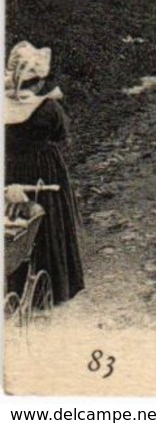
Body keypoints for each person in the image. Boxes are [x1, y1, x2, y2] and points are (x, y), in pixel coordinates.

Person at [4, 42, 85, 303]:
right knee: (47, 219)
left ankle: (12, 281)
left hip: (10, 167)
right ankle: (54, 281)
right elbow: (61, 134)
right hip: (43, 168)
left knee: (13, 221)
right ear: (38, 82)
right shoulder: (48, 108)